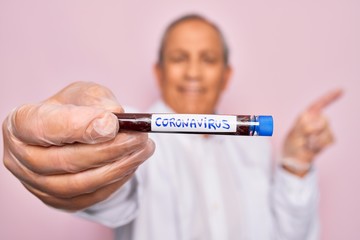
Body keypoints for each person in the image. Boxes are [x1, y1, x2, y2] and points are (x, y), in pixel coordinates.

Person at [2, 14, 342, 240]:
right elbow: (114, 196)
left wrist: (295, 165)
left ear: (226, 75)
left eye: (208, 60)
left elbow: (290, 234)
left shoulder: (253, 146)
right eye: (179, 58)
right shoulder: (132, 132)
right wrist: (78, 156)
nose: (193, 73)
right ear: (159, 72)